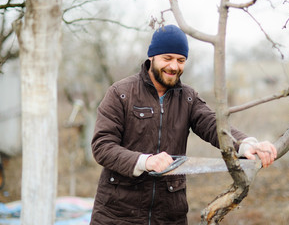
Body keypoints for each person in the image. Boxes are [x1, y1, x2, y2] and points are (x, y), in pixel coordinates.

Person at [90, 25, 277, 225]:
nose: (174, 66)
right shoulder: (121, 93)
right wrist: (145, 161)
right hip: (118, 215)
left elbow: (213, 125)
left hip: (169, 216)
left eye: (181, 60)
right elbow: (102, 146)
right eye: (167, 58)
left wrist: (246, 144)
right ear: (151, 57)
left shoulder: (188, 98)